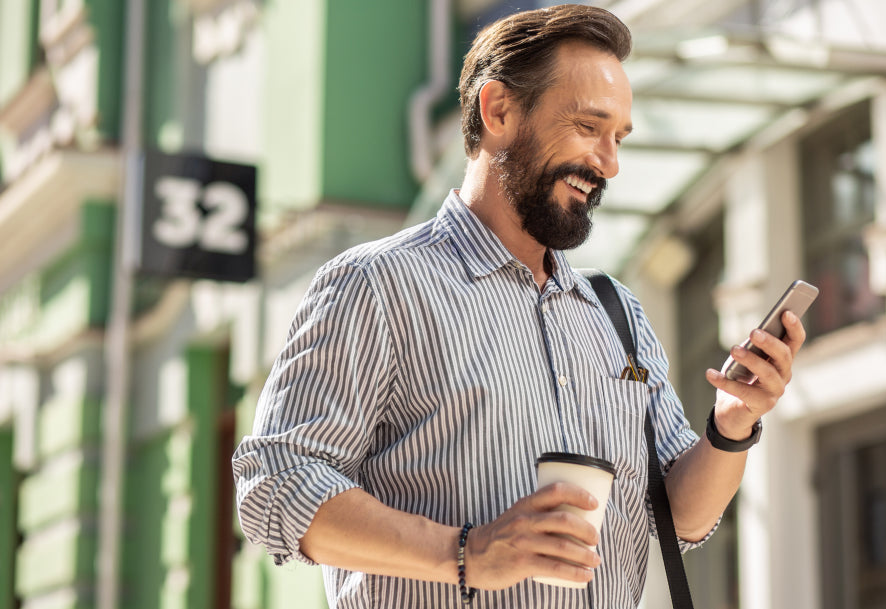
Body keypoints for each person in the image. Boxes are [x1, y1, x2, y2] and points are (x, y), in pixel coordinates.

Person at [232, 4, 807, 608]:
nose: (608, 164)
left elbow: (679, 519)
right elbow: (276, 485)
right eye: (588, 128)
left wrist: (731, 425)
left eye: (618, 139)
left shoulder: (616, 314)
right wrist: (469, 554)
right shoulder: (377, 286)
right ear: (499, 110)